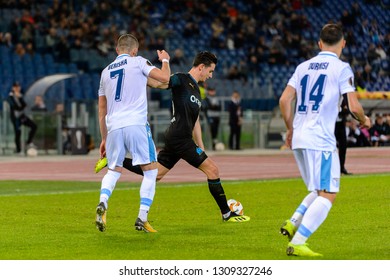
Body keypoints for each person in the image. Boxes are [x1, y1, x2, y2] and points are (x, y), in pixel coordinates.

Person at [95, 51, 250, 223]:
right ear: (201, 67)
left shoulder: (197, 91)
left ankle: (115, 160)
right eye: (210, 71)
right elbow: (159, 83)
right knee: (212, 170)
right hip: (179, 137)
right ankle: (227, 214)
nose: (211, 75)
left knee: (156, 174)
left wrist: (202, 147)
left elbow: (195, 121)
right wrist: (138, 78)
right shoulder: (181, 79)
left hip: (179, 137)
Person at [279, 23, 371, 257]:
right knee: (329, 192)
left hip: (300, 135)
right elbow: (353, 105)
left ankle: (294, 221)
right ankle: (298, 242)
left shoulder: (302, 67)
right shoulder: (341, 68)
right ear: (343, 43)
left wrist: (290, 129)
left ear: (319, 43)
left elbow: (284, 100)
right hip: (320, 138)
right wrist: (364, 120)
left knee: (320, 188)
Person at [95, 34, 171, 233]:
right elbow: (164, 78)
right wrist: (165, 60)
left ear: (117, 50)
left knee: (113, 170)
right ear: (134, 50)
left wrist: (104, 138)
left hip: (113, 127)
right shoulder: (138, 62)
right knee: (151, 171)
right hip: (136, 124)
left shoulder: (105, 73)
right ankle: (142, 217)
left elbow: (101, 109)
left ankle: (103, 202)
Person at [7, 82, 38, 155]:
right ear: (13, 88)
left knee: (34, 126)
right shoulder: (10, 97)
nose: (17, 88)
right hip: (15, 118)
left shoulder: (21, 96)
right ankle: (18, 150)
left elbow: (24, 105)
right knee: (18, 132)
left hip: (22, 116)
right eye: (16, 87)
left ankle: (29, 142)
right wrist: (20, 105)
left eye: (18, 87)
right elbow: (15, 107)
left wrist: (20, 98)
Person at [335, 99, 351, 175]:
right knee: (330, 147)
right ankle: (332, 168)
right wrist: (342, 109)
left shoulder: (344, 98)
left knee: (343, 146)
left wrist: (341, 110)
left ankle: (341, 167)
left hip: (341, 124)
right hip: (331, 125)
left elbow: (348, 110)